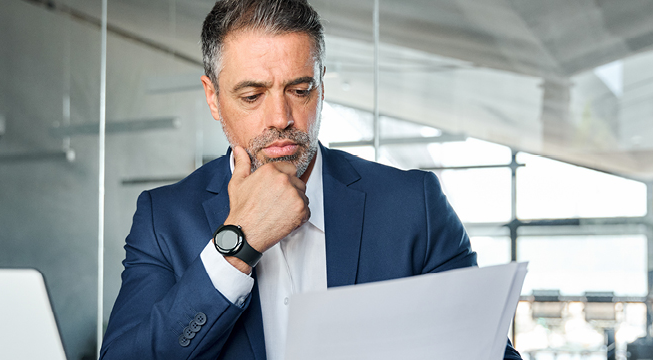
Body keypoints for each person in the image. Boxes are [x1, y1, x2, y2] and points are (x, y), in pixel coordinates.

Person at [100, 1, 522, 359]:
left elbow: (486, 351)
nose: (281, 118)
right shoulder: (164, 218)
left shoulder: (413, 205)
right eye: (252, 96)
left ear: (321, 85)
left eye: (300, 91)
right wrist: (238, 244)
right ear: (213, 97)